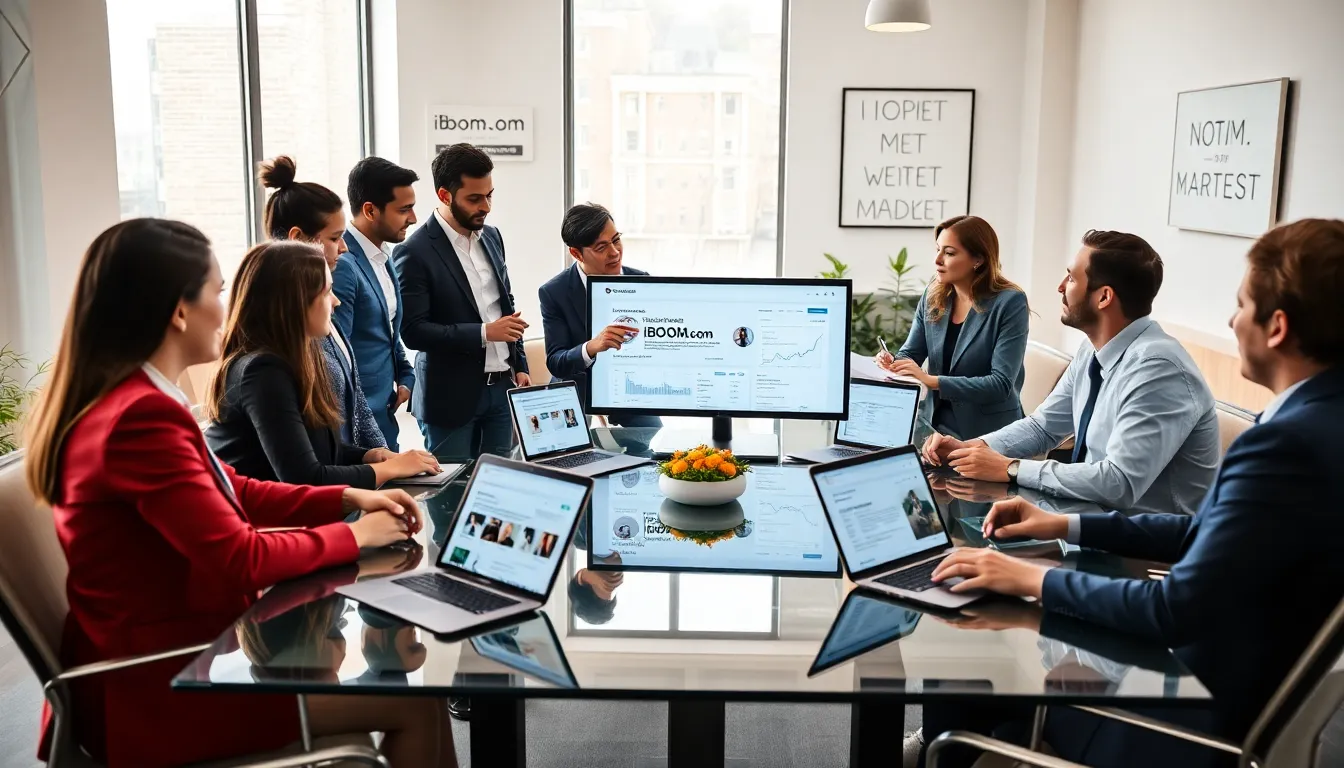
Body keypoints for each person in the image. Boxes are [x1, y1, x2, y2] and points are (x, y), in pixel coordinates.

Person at [22, 218, 455, 768]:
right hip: (161, 689)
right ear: (179, 311)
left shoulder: (135, 399)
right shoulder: (140, 416)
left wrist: (347, 499)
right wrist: (353, 536)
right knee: (414, 703)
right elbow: (237, 557)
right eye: (218, 290)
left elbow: (235, 490)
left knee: (412, 695)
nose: (227, 307)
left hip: (174, 664)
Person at [919, 219, 1344, 768]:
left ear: (1278, 327)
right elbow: (1199, 531)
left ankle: (952, 750)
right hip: (1208, 665)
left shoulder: (1284, 444)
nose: (1232, 320)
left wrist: (1031, 577)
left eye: (1241, 305)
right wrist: (1062, 524)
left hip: (1176, 704)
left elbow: (1172, 608)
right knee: (983, 663)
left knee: (973, 666)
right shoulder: (1314, 421)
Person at [923, 230, 1219, 516]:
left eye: (1072, 277)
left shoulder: (1157, 368)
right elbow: (1043, 427)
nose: (1061, 286)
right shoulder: (1092, 350)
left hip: (1147, 554)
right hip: (1089, 522)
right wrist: (972, 449)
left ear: (1103, 297)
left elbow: (1119, 483)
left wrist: (1011, 468)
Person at [205, 241, 440, 488]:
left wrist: (369, 455)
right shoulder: (263, 371)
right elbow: (306, 478)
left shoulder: (300, 358)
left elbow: (314, 449)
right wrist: (390, 469)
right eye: (327, 291)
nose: (336, 302)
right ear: (295, 301)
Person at [395, 143, 531, 461]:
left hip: (502, 391)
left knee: (499, 493)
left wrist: (520, 365)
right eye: (474, 198)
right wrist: (484, 333)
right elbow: (413, 332)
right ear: (444, 195)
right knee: (450, 500)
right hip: (449, 401)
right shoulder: (414, 252)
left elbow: (505, 305)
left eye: (489, 195)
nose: (486, 206)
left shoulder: (493, 237)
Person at [255, 155, 386, 451]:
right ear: (299, 238)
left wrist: (386, 457)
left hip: (347, 473)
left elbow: (357, 406)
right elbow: (304, 464)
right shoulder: (283, 334)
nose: (344, 247)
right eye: (335, 237)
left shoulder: (323, 316)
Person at [876, 215, 1030, 439]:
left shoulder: (1010, 302)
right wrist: (893, 362)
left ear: (978, 259)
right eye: (937, 250)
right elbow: (911, 353)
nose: (937, 260)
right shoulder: (933, 295)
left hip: (990, 433)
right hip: (933, 427)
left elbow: (1000, 384)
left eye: (949, 253)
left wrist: (932, 381)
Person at [538, 203, 661, 428]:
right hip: (574, 391)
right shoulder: (554, 292)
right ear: (576, 253)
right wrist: (592, 347)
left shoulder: (643, 281)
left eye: (616, 240)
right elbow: (556, 361)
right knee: (564, 459)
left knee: (655, 451)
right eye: (601, 247)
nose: (614, 253)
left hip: (629, 392)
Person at [336, 156, 419, 450]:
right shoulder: (343, 263)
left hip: (385, 415)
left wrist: (406, 375)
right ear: (370, 210)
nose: (413, 218)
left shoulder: (384, 256)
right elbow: (337, 352)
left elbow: (387, 330)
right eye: (404, 209)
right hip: (355, 425)